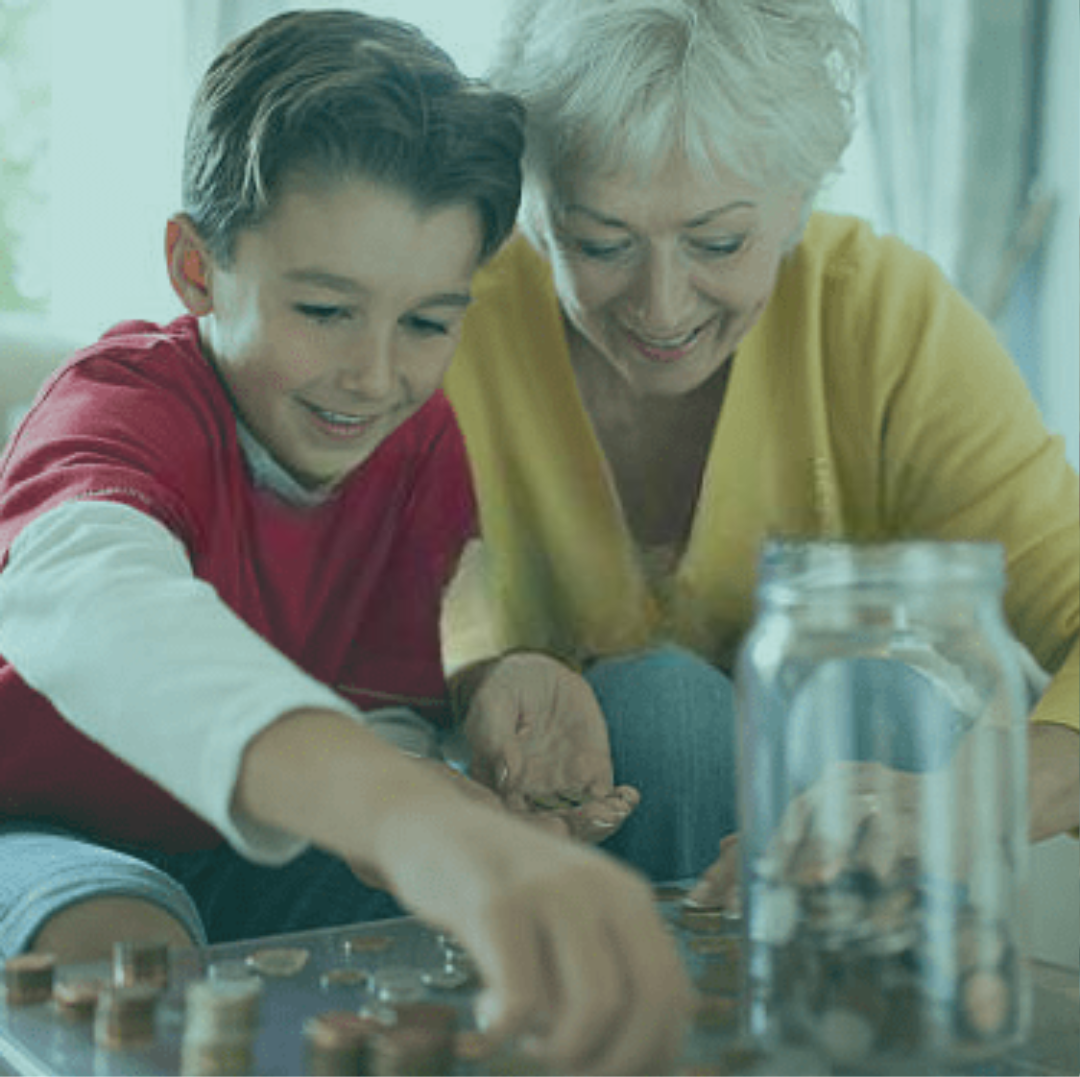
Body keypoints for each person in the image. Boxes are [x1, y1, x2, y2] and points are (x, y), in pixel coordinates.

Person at [0, 11, 691, 1073]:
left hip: (242, 851)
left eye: (426, 323)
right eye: (326, 309)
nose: (375, 377)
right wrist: (412, 822)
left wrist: (470, 742)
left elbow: (383, 698)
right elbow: (95, 607)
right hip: (35, 829)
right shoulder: (125, 406)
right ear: (196, 268)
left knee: (494, 916)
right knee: (120, 948)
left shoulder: (415, 447)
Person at [442, 0, 1080, 893]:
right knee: (665, 709)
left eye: (718, 241)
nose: (661, 308)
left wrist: (1003, 790)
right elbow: (352, 611)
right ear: (537, 212)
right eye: (601, 242)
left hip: (835, 832)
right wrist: (482, 678)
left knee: (878, 700)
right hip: (551, 877)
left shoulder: (883, 316)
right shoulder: (447, 313)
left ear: (798, 201)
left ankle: (846, 1021)